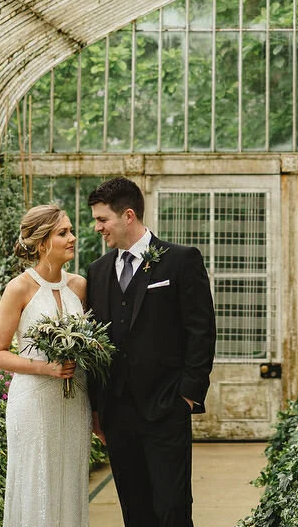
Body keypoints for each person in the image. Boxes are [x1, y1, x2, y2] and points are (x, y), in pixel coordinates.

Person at [86, 177, 216, 527]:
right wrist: (98, 409)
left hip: (166, 408)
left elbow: (201, 332)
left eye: (102, 220)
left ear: (128, 215)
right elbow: (95, 343)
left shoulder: (181, 261)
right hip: (118, 415)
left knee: (172, 508)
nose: (97, 227)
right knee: (135, 510)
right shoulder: (96, 273)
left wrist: (187, 396)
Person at [0, 205, 92, 527]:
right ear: (43, 242)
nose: (73, 238)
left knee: (71, 480)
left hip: (76, 400)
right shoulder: (19, 288)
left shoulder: (79, 286)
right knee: (37, 481)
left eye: (70, 230)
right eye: (63, 233)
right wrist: (45, 368)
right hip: (33, 402)